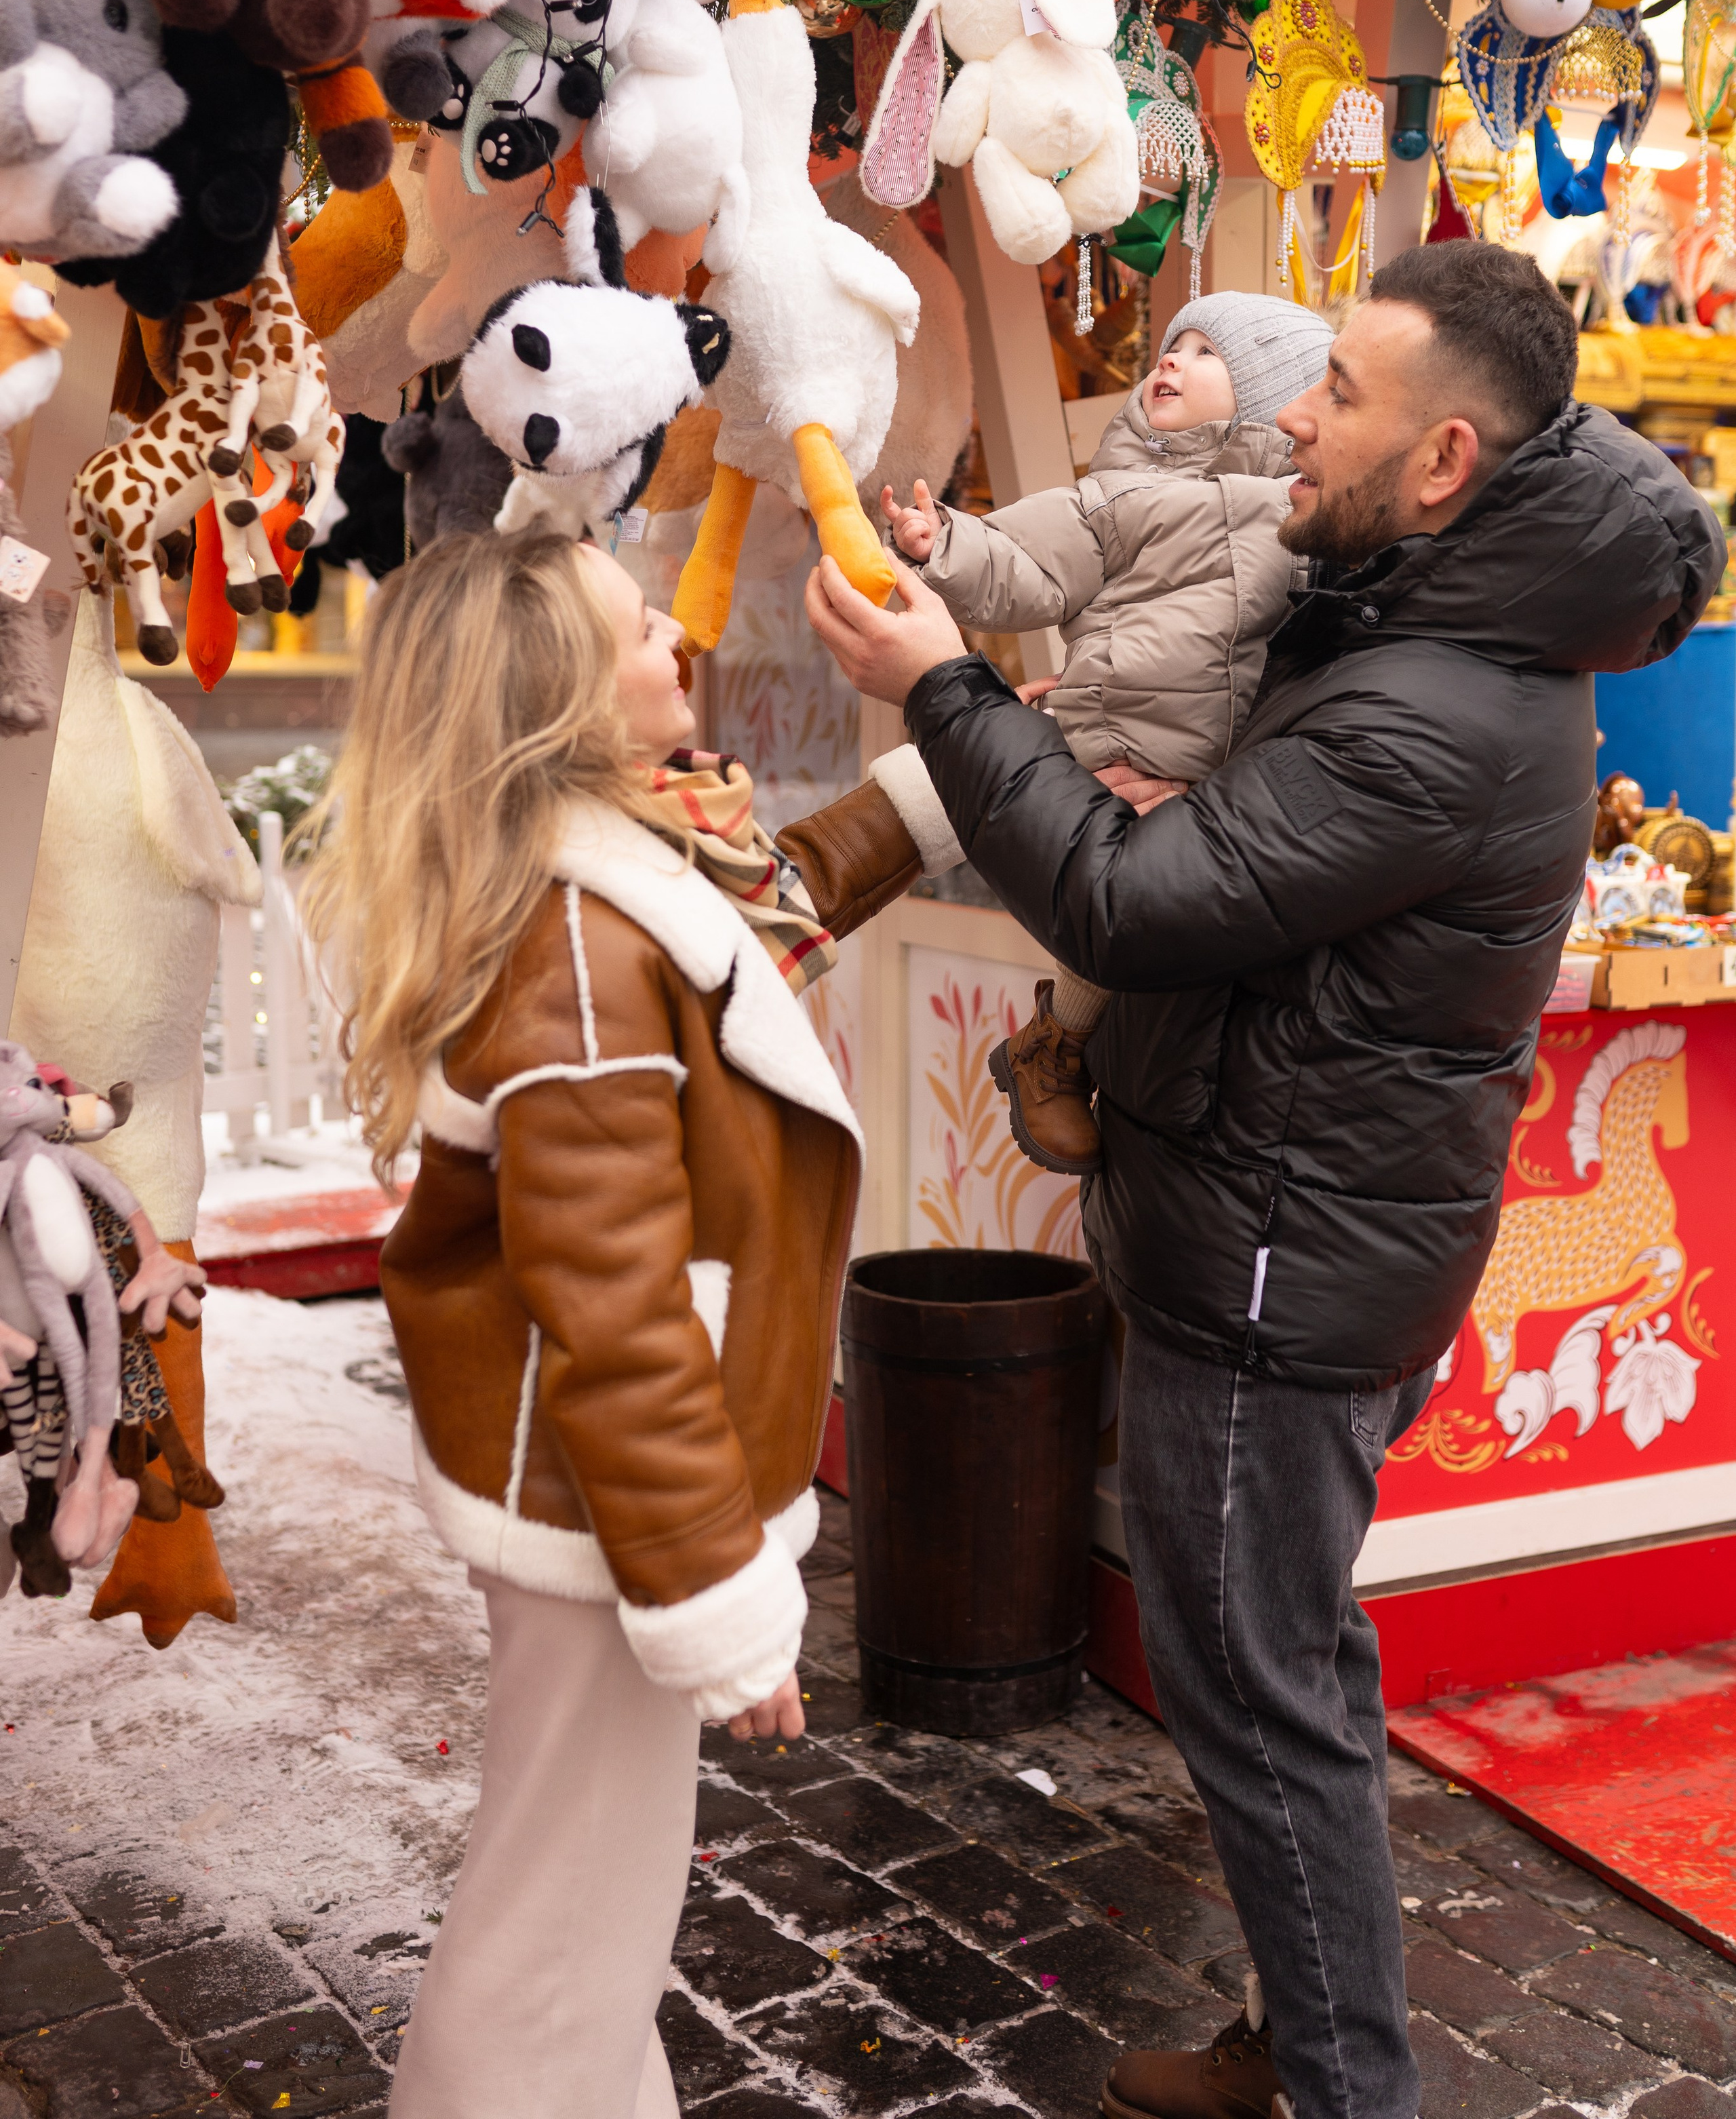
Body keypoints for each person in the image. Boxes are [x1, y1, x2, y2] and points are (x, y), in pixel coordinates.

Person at [806, 240, 1725, 2119]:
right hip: (1293, 1224)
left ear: (1450, 458)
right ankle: (1298, 2045)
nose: (1297, 411)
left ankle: (1341, 2091)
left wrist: (951, 691)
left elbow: (1137, 910)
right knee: (1289, 1662)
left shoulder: (1434, 706)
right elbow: (1224, 862)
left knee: (1257, 1697)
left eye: (1345, 396)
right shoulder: (1423, 615)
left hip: (1281, 1270)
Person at [298, 527, 960, 2119]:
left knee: (591, 1899)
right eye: (632, 627)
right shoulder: (581, 949)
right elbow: (615, 1311)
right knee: (559, 1923)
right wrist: (723, 1602)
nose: (676, 632)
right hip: (599, 1501)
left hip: (588, 1491)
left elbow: (769, 907)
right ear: (554, 705)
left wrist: (953, 768)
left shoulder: (622, 858)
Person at [884, 293, 1330, 1178]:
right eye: (1170, 347)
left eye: (1206, 353)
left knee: (1156, 900)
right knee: (968, 795)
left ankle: (1057, 1041)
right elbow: (1027, 563)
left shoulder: (1309, 520)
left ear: (1274, 398)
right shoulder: (1122, 495)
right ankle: (1051, 1044)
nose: (1170, 361)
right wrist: (944, 546)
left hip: (1215, 770)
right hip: (1110, 726)